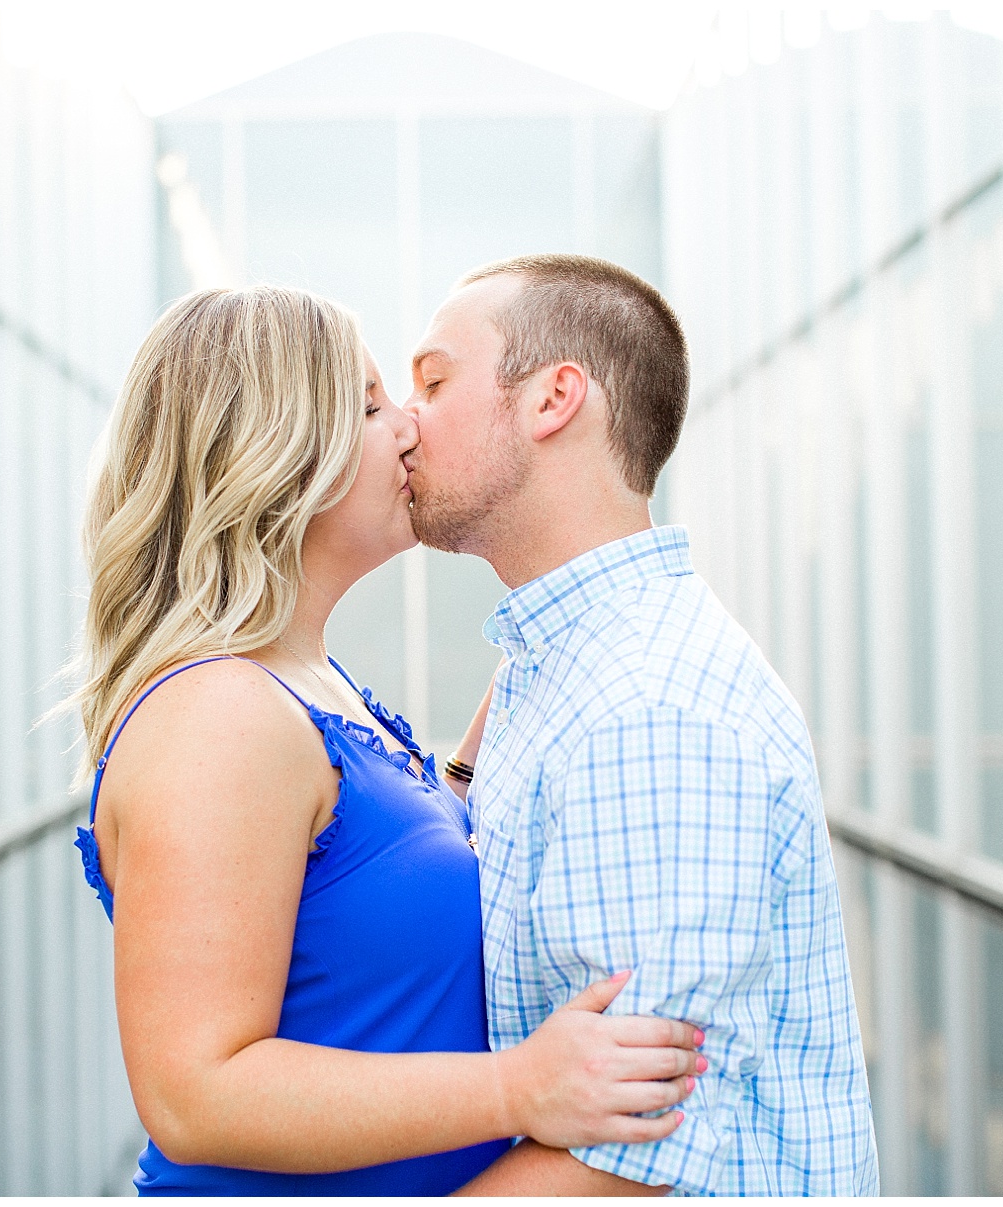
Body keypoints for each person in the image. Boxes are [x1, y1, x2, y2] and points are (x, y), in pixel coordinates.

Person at [63, 284, 704, 1195]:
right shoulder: (218, 716)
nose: (407, 427)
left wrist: (541, 683)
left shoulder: (306, 684)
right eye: (369, 406)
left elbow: (365, 888)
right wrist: (519, 1088)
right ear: (277, 452)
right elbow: (196, 1093)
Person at [404, 254, 880, 1196]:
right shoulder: (569, 671)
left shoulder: (644, 709)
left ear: (553, 399)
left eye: (434, 381)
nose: (404, 421)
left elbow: (628, 1161)